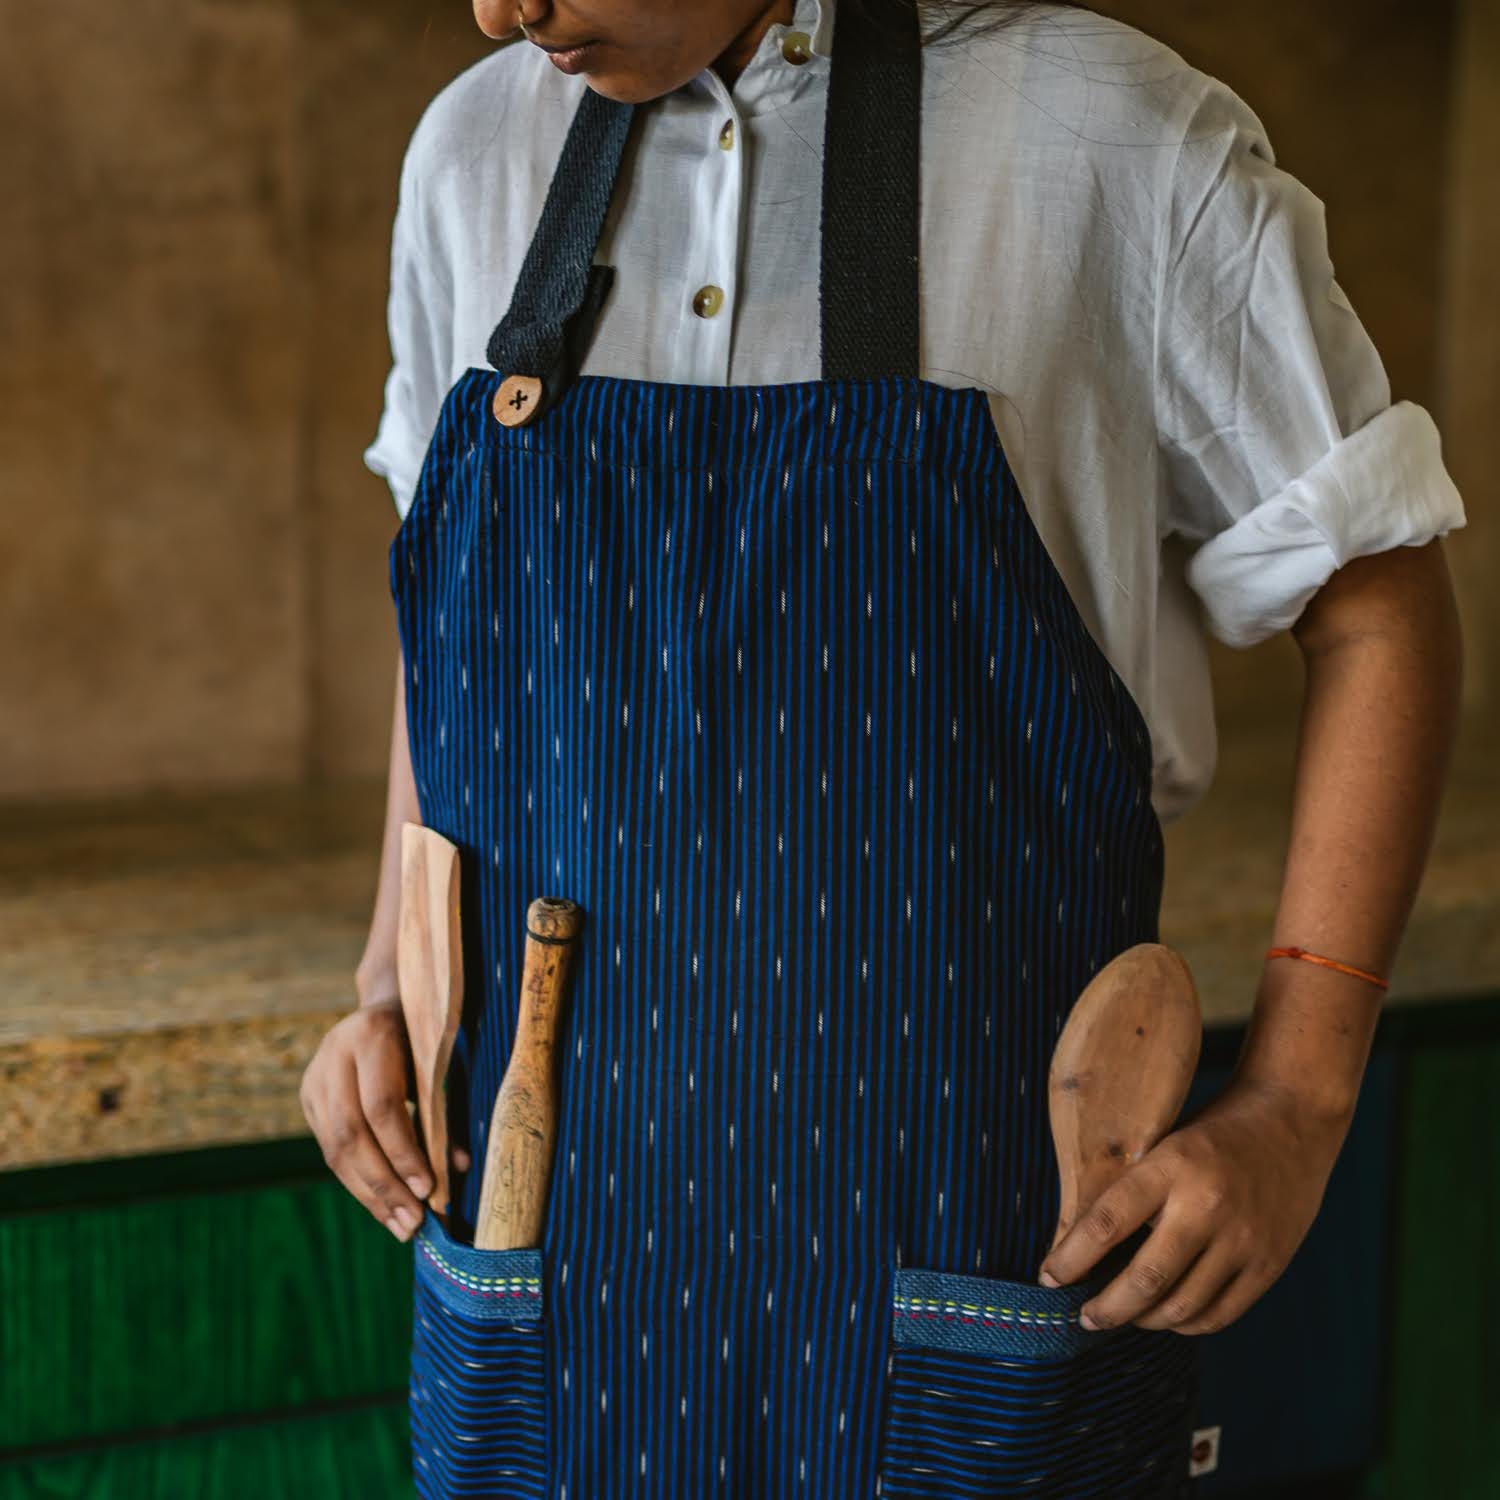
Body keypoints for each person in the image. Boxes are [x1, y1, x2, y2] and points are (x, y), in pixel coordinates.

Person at [298, 1, 1465, 1495]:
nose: (501, 9)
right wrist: (391, 984)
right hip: (544, 1272)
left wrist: (1301, 1100)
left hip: (970, 1267)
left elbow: (1380, 609)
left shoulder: (1109, 145)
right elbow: (455, 602)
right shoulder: (473, 151)